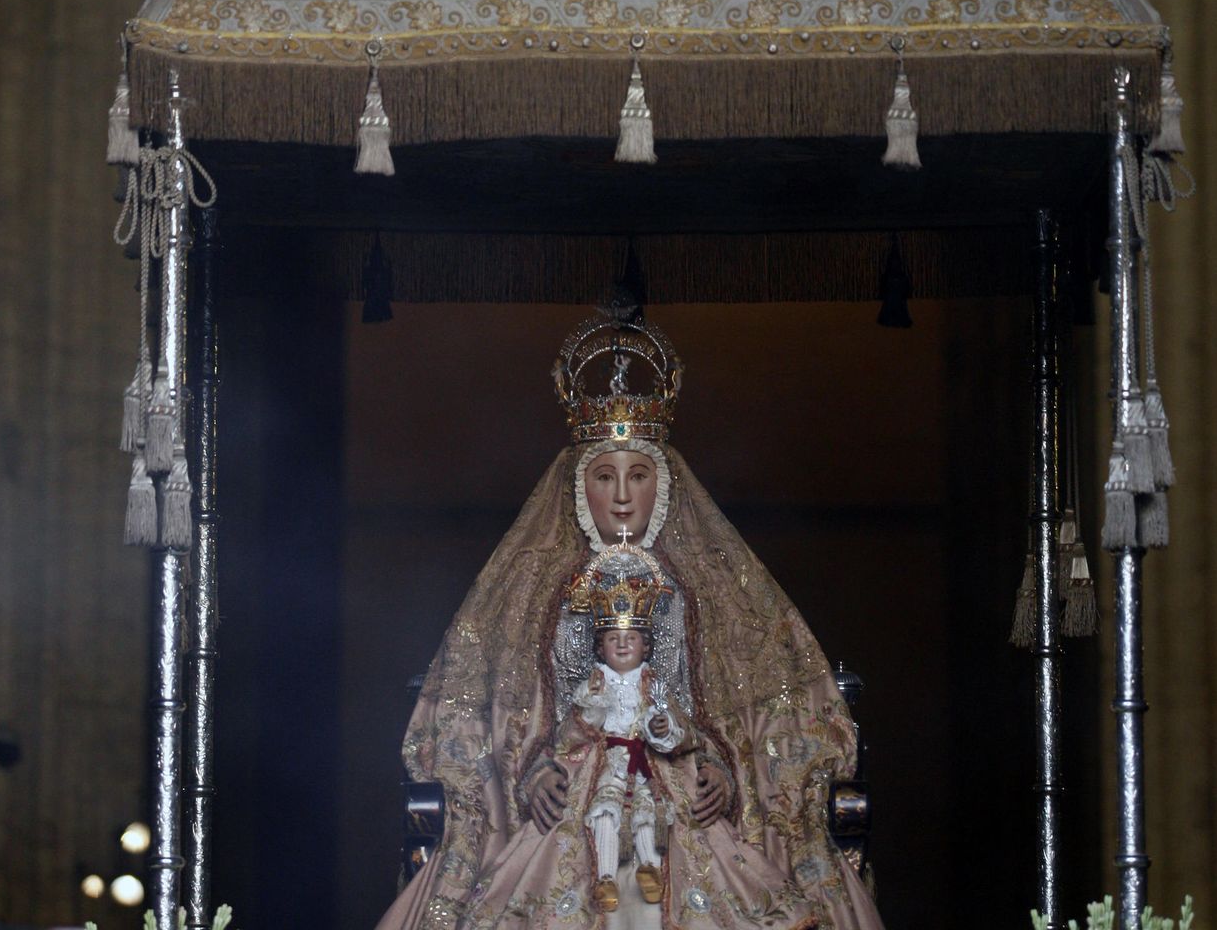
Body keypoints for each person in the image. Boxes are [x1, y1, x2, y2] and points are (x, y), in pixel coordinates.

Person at [373, 311, 887, 930]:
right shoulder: (527, 594)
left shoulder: (712, 592)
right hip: (568, 810)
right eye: (604, 477)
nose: (621, 497)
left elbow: (746, 712)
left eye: (638, 476)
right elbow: (493, 720)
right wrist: (533, 772)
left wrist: (722, 770)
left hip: (681, 808)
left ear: (662, 486)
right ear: (577, 487)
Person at [562, 546, 685, 910]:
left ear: (644, 646)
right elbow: (584, 724)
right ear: (601, 647)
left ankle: (650, 869)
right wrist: (594, 700)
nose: (621, 645)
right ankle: (605, 877)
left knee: (648, 812)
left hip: (645, 762)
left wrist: (661, 727)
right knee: (605, 811)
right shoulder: (595, 681)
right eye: (613, 639)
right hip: (607, 762)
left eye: (630, 639)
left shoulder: (651, 683)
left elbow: (666, 724)